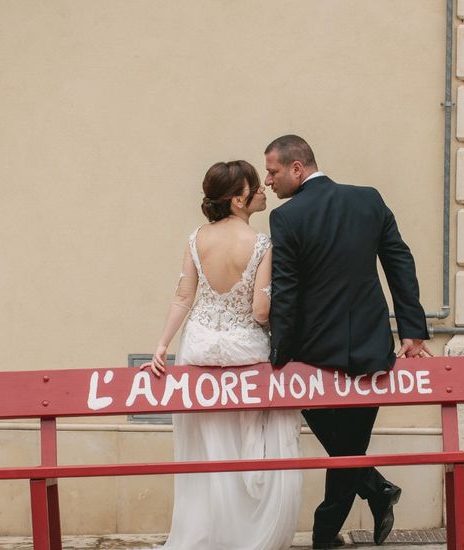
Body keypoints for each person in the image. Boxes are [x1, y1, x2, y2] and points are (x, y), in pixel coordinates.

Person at [264, 135, 431, 550]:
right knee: (350, 447)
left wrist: (278, 355)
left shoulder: (286, 218)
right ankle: (368, 496)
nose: (268, 180)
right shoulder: (369, 199)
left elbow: (285, 290)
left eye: (273, 171)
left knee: (345, 449)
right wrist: (411, 330)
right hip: (371, 349)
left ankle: (334, 528)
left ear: (298, 168)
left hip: (311, 357)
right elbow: (399, 262)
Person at [143, 160, 301, 550]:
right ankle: (246, 535)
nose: (263, 189)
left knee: (209, 449)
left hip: (198, 350)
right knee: (250, 445)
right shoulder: (262, 244)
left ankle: (209, 533)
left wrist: (162, 345)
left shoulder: (196, 239)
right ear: (238, 198)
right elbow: (261, 313)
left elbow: (184, 297)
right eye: (255, 186)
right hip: (245, 352)